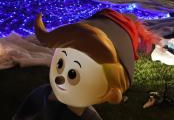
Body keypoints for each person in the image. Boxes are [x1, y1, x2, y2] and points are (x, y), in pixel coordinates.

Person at [14, 9, 159, 120]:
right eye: (60, 64)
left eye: (73, 74)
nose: (59, 78)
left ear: (112, 92)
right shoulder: (42, 94)